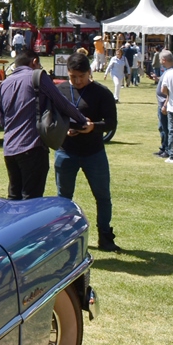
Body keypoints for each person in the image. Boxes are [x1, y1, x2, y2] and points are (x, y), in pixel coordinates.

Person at [0, 48, 91, 200]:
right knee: (31, 200)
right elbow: (61, 102)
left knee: (13, 198)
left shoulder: (3, 84)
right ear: (34, 62)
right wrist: (81, 120)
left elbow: (2, 121)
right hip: (32, 147)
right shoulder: (37, 76)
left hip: (10, 149)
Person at [55, 53, 120, 251]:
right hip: (66, 151)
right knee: (63, 198)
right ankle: (64, 237)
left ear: (89, 73)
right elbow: (50, 117)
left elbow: (111, 123)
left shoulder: (102, 93)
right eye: (72, 76)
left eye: (81, 76)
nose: (76, 81)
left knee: (102, 196)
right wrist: (63, 129)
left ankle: (105, 237)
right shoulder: (60, 90)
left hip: (94, 153)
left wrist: (94, 127)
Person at [153, 50, 173, 158]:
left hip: (165, 105)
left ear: (164, 60)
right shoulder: (168, 71)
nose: (160, 62)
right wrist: (158, 79)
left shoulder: (171, 71)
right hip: (162, 104)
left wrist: (165, 105)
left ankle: (167, 150)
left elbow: (170, 91)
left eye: (160, 59)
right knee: (162, 127)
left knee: (166, 128)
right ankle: (163, 148)